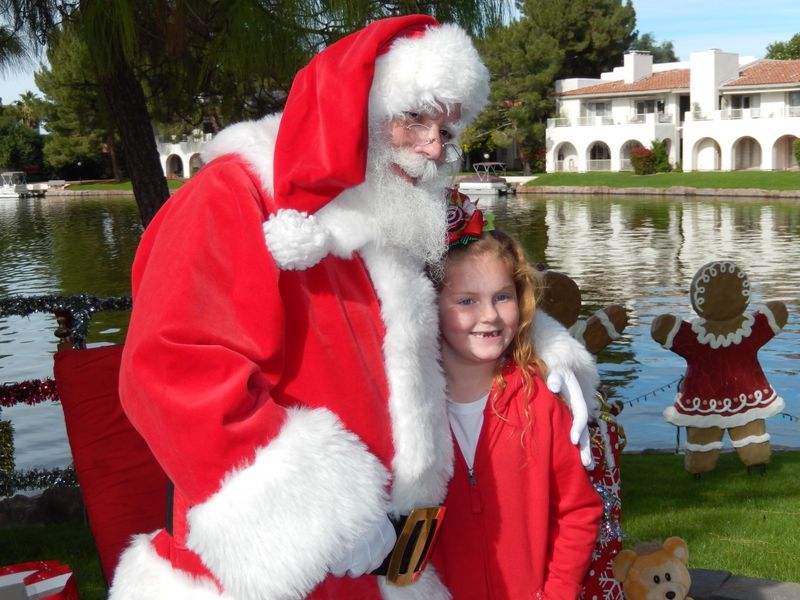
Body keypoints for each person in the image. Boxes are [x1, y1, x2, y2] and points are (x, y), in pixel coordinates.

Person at [109, 15, 598, 600]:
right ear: (355, 109)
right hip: (280, 570)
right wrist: (330, 513)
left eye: (447, 127)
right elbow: (173, 372)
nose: (434, 148)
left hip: (397, 562)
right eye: (415, 117)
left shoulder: (399, 209)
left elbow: (471, 293)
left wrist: (545, 347)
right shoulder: (233, 195)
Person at [432, 193, 602, 599]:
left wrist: (558, 592)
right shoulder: (410, 413)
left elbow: (578, 511)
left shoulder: (539, 402)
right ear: (429, 306)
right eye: (466, 301)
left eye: (502, 296)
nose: (489, 315)